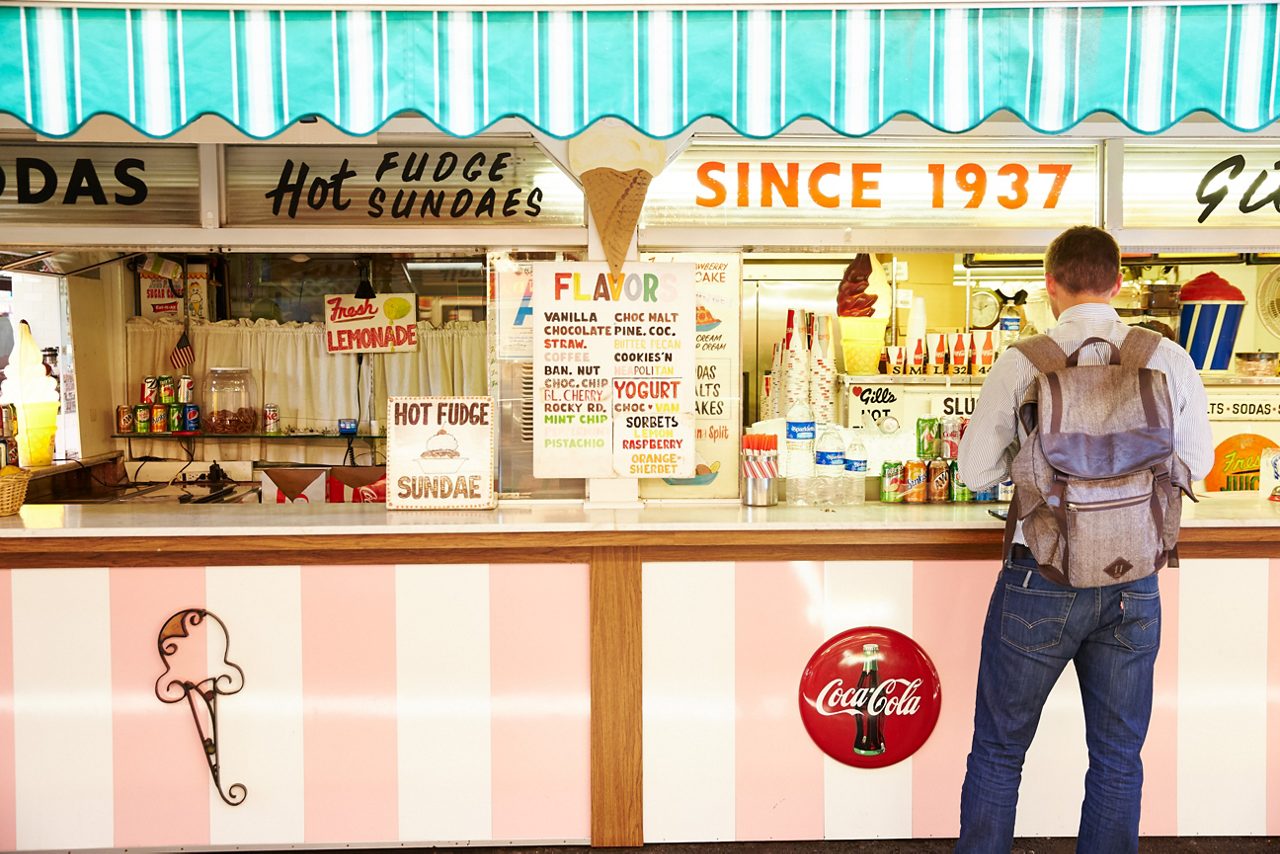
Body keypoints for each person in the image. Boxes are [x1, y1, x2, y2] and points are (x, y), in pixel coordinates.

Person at [955, 226, 1213, 853]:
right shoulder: (1165, 357)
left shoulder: (1026, 359)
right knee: (1118, 756)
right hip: (1133, 579)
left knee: (999, 750)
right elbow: (1198, 462)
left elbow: (973, 471)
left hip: (1040, 576)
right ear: (1118, 282)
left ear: (1050, 285)